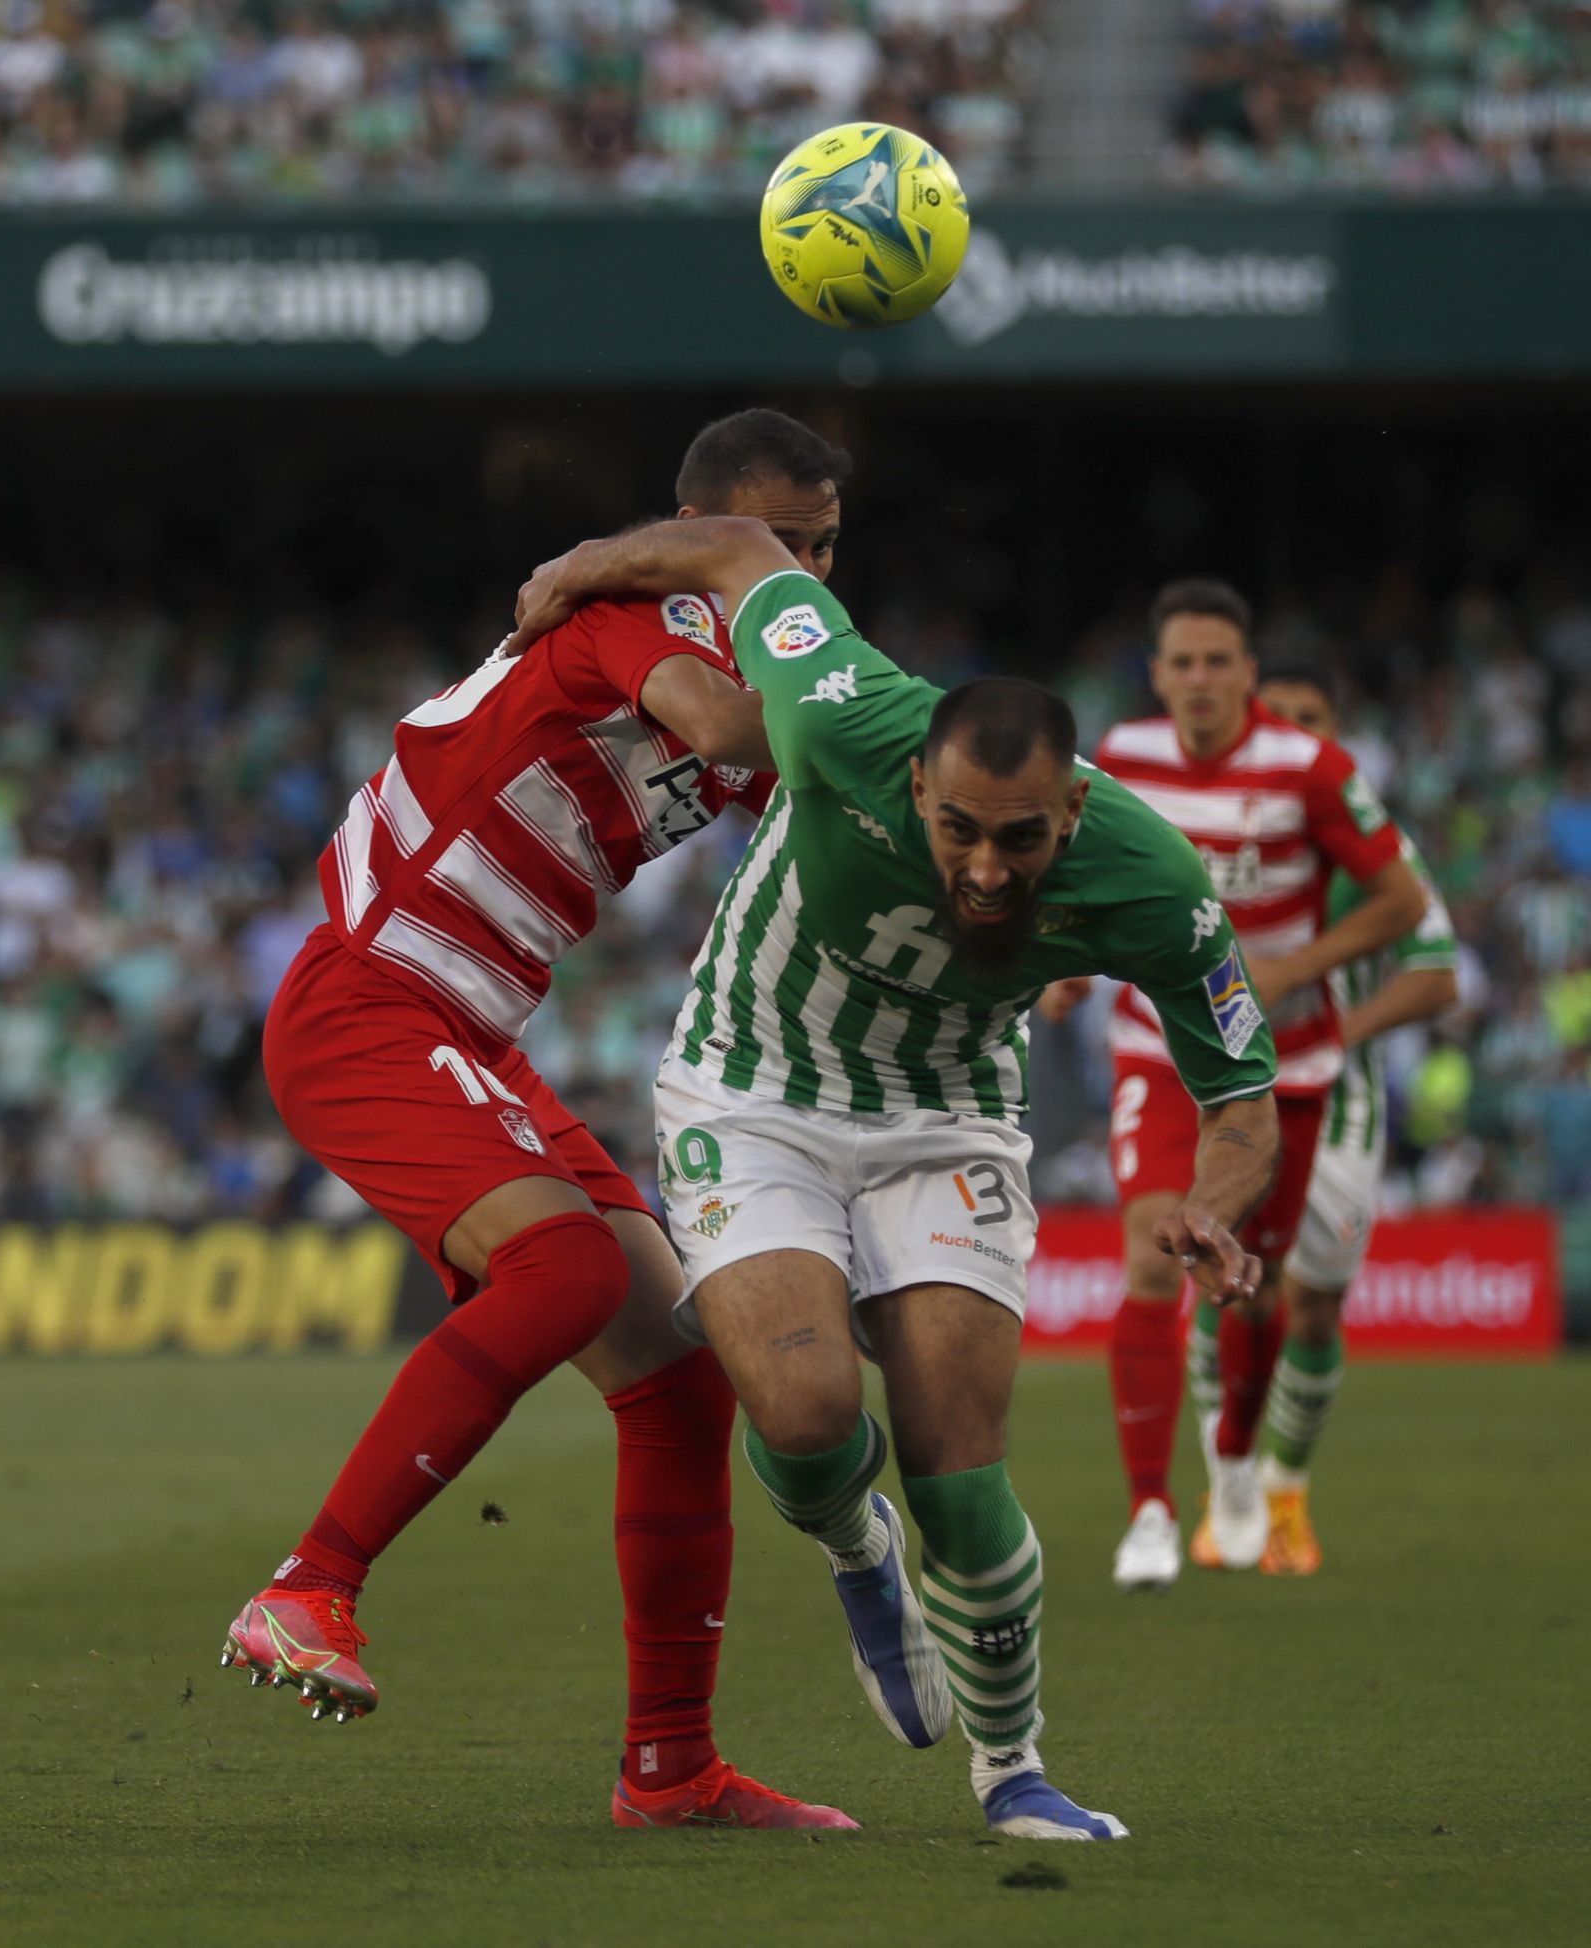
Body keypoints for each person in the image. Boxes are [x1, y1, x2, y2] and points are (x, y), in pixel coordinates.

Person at [507, 514, 1282, 1841]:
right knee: (807, 1418)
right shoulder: (836, 710)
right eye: (962, 831)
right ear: (914, 785)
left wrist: (1212, 1203)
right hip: (754, 1089)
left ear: (1075, 810)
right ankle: (856, 1549)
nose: (988, 871)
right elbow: (745, 548)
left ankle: (1014, 1771)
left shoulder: (1155, 881)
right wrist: (576, 571)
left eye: (1024, 841)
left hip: (947, 1115)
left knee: (959, 1465)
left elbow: (1244, 1098)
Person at [220, 409, 861, 1832]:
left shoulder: (734, 639)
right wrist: (859, 705)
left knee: (681, 1379)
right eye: (773, 547)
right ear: (703, 543)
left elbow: (841, 807)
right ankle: (308, 1587)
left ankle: (671, 1773)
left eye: (822, 548)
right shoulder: (640, 620)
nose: (803, 576)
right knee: (564, 1269)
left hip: (469, 1031)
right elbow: (724, 724)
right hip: (368, 1000)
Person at [1091, 581, 1424, 1590]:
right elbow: (1077, 873)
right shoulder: (1119, 759)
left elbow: (1402, 901)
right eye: (1179, 663)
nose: (1197, 680)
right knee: (1155, 1257)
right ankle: (1149, 1510)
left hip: (1283, 1062)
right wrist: (1066, 966)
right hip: (1157, 1044)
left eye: (1215, 662)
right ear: (1157, 674)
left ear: (1247, 674)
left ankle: (1235, 1461)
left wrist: (1293, 968)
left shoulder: (1311, 769)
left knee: (1252, 1287)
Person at [1250, 661, 1459, 1574]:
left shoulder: (1376, 848)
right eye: (1280, 716)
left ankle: (1284, 1489)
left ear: (1332, 736)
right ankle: (1229, 1489)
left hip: (1342, 1107)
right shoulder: (1221, 833)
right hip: (1234, 1096)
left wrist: (1338, 1030)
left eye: (1312, 718)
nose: (1296, 729)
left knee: (1318, 1305)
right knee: (1238, 1287)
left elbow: (1438, 977)